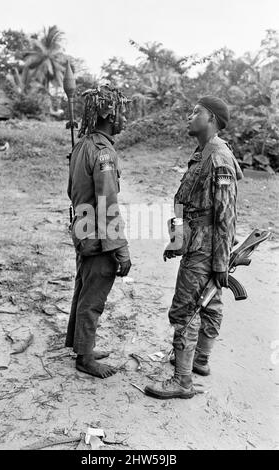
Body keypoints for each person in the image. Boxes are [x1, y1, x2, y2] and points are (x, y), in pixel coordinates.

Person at [145, 96, 243, 399]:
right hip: (199, 243)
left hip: (206, 248)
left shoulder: (218, 158)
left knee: (185, 310)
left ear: (211, 119)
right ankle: (199, 361)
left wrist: (220, 263)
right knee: (209, 303)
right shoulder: (202, 153)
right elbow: (191, 206)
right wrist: (178, 241)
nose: (190, 116)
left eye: (196, 112)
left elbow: (225, 214)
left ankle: (182, 381)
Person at [65, 85, 132, 379]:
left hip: (83, 230)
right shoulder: (103, 153)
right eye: (121, 111)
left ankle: (82, 346)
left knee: (83, 289)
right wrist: (121, 249)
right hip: (98, 235)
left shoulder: (81, 146)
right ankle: (85, 358)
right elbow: (108, 204)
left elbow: (72, 191)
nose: (124, 117)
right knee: (93, 297)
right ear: (107, 112)